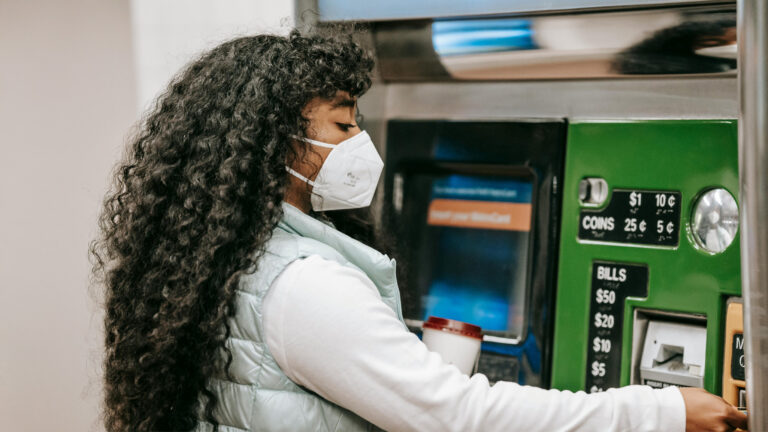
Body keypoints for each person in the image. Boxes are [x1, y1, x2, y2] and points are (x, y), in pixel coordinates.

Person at [91, 30, 748, 432]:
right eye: (343, 126)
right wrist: (658, 413)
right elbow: (455, 416)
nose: (362, 142)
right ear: (274, 142)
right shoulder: (304, 284)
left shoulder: (230, 258)